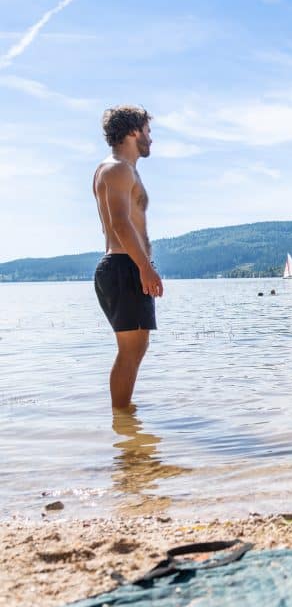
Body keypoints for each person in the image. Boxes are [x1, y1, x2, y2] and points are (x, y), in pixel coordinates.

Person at [92, 105, 163, 412]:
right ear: (134, 131)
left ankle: (124, 424)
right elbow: (120, 223)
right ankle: (121, 418)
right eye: (148, 130)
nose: (151, 138)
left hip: (126, 265)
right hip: (124, 266)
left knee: (135, 349)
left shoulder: (121, 169)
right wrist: (144, 268)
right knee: (130, 351)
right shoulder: (117, 168)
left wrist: (144, 266)